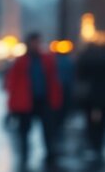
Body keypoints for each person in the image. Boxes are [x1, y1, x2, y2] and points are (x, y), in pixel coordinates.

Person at [5, 33, 63, 164]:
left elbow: (53, 80)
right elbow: (13, 83)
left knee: (48, 129)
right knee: (24, 131)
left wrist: (55, 99)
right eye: (34, 43)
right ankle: (25, 155)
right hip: (26, 101)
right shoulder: (21, 61)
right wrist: (12, 104)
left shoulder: (47, 60)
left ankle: (49, 153)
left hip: (43, 99)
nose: (36, 46)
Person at [76, 44, 105, 158]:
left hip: (90, 93)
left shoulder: (86, 57)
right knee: (104, 120)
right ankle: (99, 142)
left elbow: (79, 73)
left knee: (89, 119)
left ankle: (93, 140)